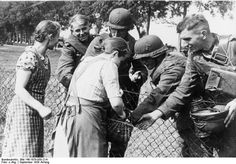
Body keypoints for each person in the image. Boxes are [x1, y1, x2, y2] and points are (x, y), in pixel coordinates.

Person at [137, 14, 236, 157]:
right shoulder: (194, 56)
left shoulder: (231, 46)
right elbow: (183, 90)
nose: (183, 45)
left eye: (187, 39)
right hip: (223, 118)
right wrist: (156, 114)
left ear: (203, 34)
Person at [84, 7, 148, 157]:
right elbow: (86, 64)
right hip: (100, 96)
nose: (116, 34)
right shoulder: (99, 40)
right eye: (113, 30)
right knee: (98, 138)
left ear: (129, 29)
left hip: (125, 96)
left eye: (121, 31)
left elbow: (142, 68)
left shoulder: (134, 44)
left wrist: (139, 75)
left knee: (120, 142)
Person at [53, 37, 130, 157]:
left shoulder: (87, 61)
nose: (120, 64)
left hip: (68, 114)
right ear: (115, 53)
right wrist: (122, 114)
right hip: (87, 117)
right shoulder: (109, 65)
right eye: (121, 60)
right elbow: (116, 103)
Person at [130, 35, 203, 157]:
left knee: (198, 152)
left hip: (195, 117)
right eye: (141, 60)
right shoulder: (164, 61)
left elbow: (159, 93)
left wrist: (134, 116)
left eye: (146, 59)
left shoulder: (174, 66)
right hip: (185, 113)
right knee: (186, 151)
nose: (143, 62)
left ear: (156, 55)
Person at [2, 20, 60, 157]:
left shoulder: (44, 58)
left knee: (33, 151)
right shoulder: (28, 56)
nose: (59, 40)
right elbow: (19, 89)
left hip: (35, 112)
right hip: (23, 111)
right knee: (22, 151)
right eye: (58, 36)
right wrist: (41, 108)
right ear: (50, 36)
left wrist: (39, 109)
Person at [57, 14, 94, 89]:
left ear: (89, 27)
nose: (81, 33)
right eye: (77, 30)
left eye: (84, 29)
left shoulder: (95, 41)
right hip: (78, 86)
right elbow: (64, 72)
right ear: (72, 31)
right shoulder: (69, 46)